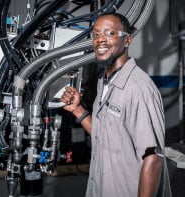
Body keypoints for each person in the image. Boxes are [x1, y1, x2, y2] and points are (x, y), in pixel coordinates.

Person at [60, 12, 171, 197]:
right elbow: (103, 135)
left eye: (109, 33)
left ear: (127, 40)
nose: (100, 40)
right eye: (96, 34)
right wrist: (78, 110)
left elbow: (153, 157)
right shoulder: (104, 82)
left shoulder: (139, 88)